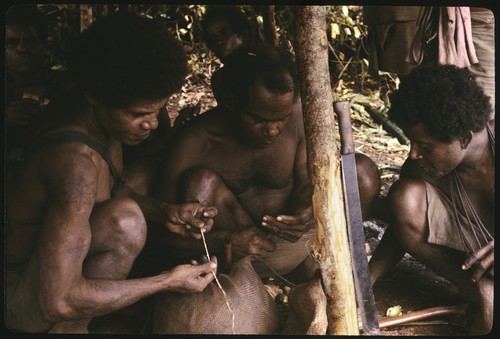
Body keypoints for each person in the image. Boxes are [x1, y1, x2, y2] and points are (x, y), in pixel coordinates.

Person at [5, 11, 219, 334]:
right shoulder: (73, 162)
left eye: (156, 111)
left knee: (126, 211)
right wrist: (167, 282)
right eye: (138, 114)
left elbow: (112, 192)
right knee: (127, 223)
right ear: (96, 98)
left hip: (43, 272)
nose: (153, 124)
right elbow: (58, 301)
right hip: (15, 295)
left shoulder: (101, 119)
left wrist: (166, 212)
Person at [150, 43, 381, 282]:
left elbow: (307, 181)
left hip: (298, 246)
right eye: (258, 119)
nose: (272, 130)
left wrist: (307, 211)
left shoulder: (300, 116)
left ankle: (329, 273)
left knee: (360, 172)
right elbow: (160, 237)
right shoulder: (193, 143)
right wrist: (226, 240)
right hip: (236, 258)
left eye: (282, 118)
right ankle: (246, 287)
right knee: (200, 181)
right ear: (231, 102)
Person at [368, 64, 494, 335]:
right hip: (481, 275)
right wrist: (365, 280)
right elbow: (400, 224)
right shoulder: (424, 167)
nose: (413, 153)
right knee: (404, 196)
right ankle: (474, 294)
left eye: (425, 146)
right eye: (412, 143)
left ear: (463, 138)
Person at [5, 4, 74, 173]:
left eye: (30, 41)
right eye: (12, 43)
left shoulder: (66, 86)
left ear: (43, 45)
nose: (22, 49)